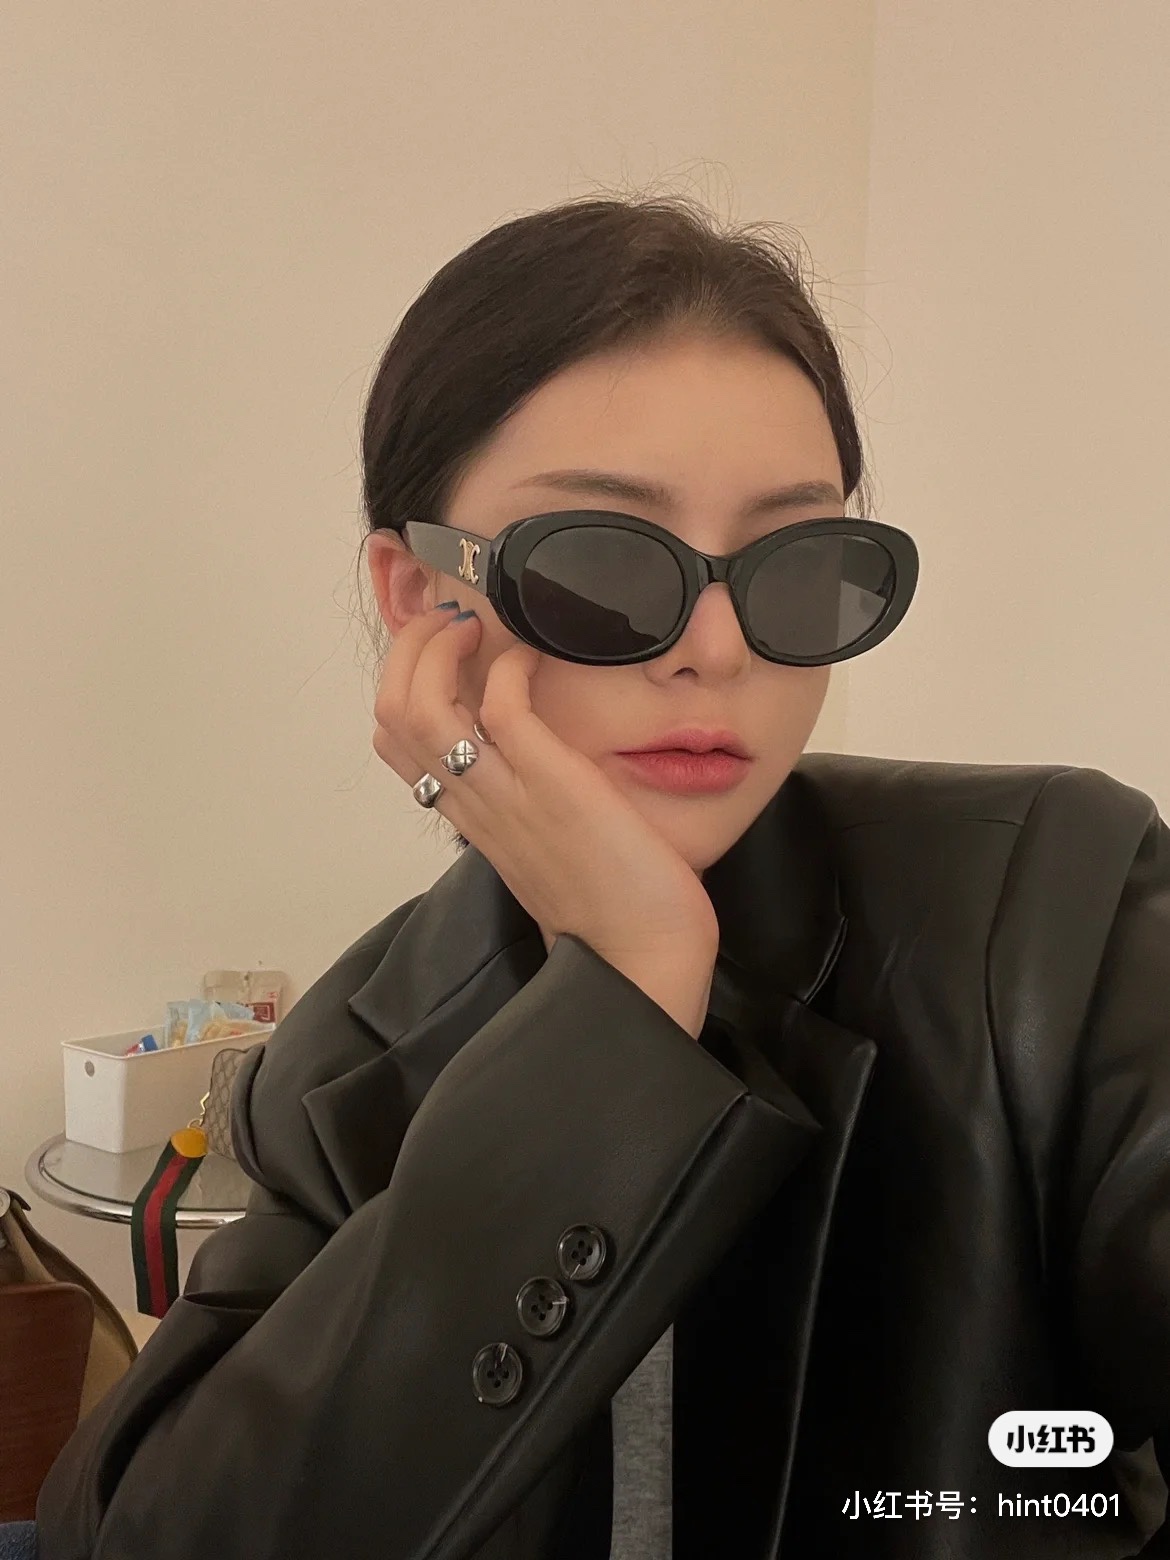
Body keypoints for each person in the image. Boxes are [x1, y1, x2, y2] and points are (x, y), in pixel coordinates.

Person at [34, 190, 1169, 1560]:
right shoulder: (345, 1056)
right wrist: (624, 1000)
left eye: (798, 563)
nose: (717, 651)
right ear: (422, 597)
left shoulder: (1057, 918)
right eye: (601, 567)